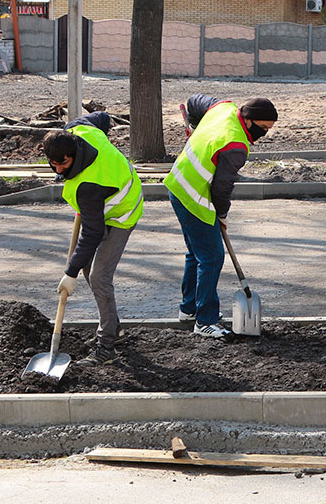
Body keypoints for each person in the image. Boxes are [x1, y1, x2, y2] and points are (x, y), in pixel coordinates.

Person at [164, 95, 277, 339]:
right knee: (212, 256)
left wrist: (194, 125)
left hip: (177, 184)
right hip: (193, 195)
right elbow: (222, 188)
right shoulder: (236, 145)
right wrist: (221, 214)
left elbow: (195, 100)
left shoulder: (224, 109)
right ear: (248, 121)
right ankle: (205, 320)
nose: (264, 134)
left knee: (197, 253)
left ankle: (189, 309)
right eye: (263, 128)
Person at [43, 111, 143, 366]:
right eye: (53, 164)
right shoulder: (79, 130)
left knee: (99, 276)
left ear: (74, 154)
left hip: (122, 211)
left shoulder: (89, 187)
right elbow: (102, 117)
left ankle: (107, 346)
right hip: (100, 204)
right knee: (91, 271)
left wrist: (70, 271)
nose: (58, 169)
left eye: (63, 164)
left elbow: (92, 233)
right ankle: (115, 329)